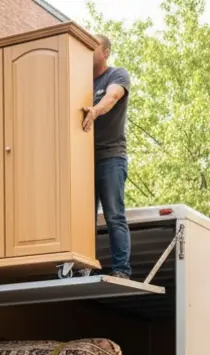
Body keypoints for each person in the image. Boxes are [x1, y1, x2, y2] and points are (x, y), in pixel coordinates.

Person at [82, 33, 132, 280]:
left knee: (114, 214)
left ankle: (122, 269)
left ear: (105, 52)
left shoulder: (117, 75)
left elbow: (111, 98)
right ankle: (83, 266)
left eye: (94, 47)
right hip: (83, 160)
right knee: (82, 216)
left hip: (111, 157)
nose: (87, 50)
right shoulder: (79, 80)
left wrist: (95, 111)